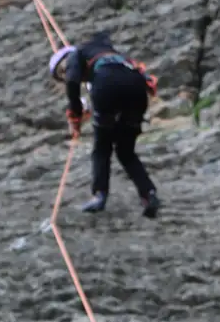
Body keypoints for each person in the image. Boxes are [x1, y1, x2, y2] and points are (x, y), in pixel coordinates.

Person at [48, 31, 160, 218]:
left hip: (108, 86)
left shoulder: (76, 54)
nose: (64, 74)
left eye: (62, 71)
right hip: (136, 89)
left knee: (102, 147)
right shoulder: (112, 55)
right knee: (126, 151)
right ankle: (149, 194)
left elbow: (73, 83)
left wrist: (74, 115)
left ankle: (99, 195)